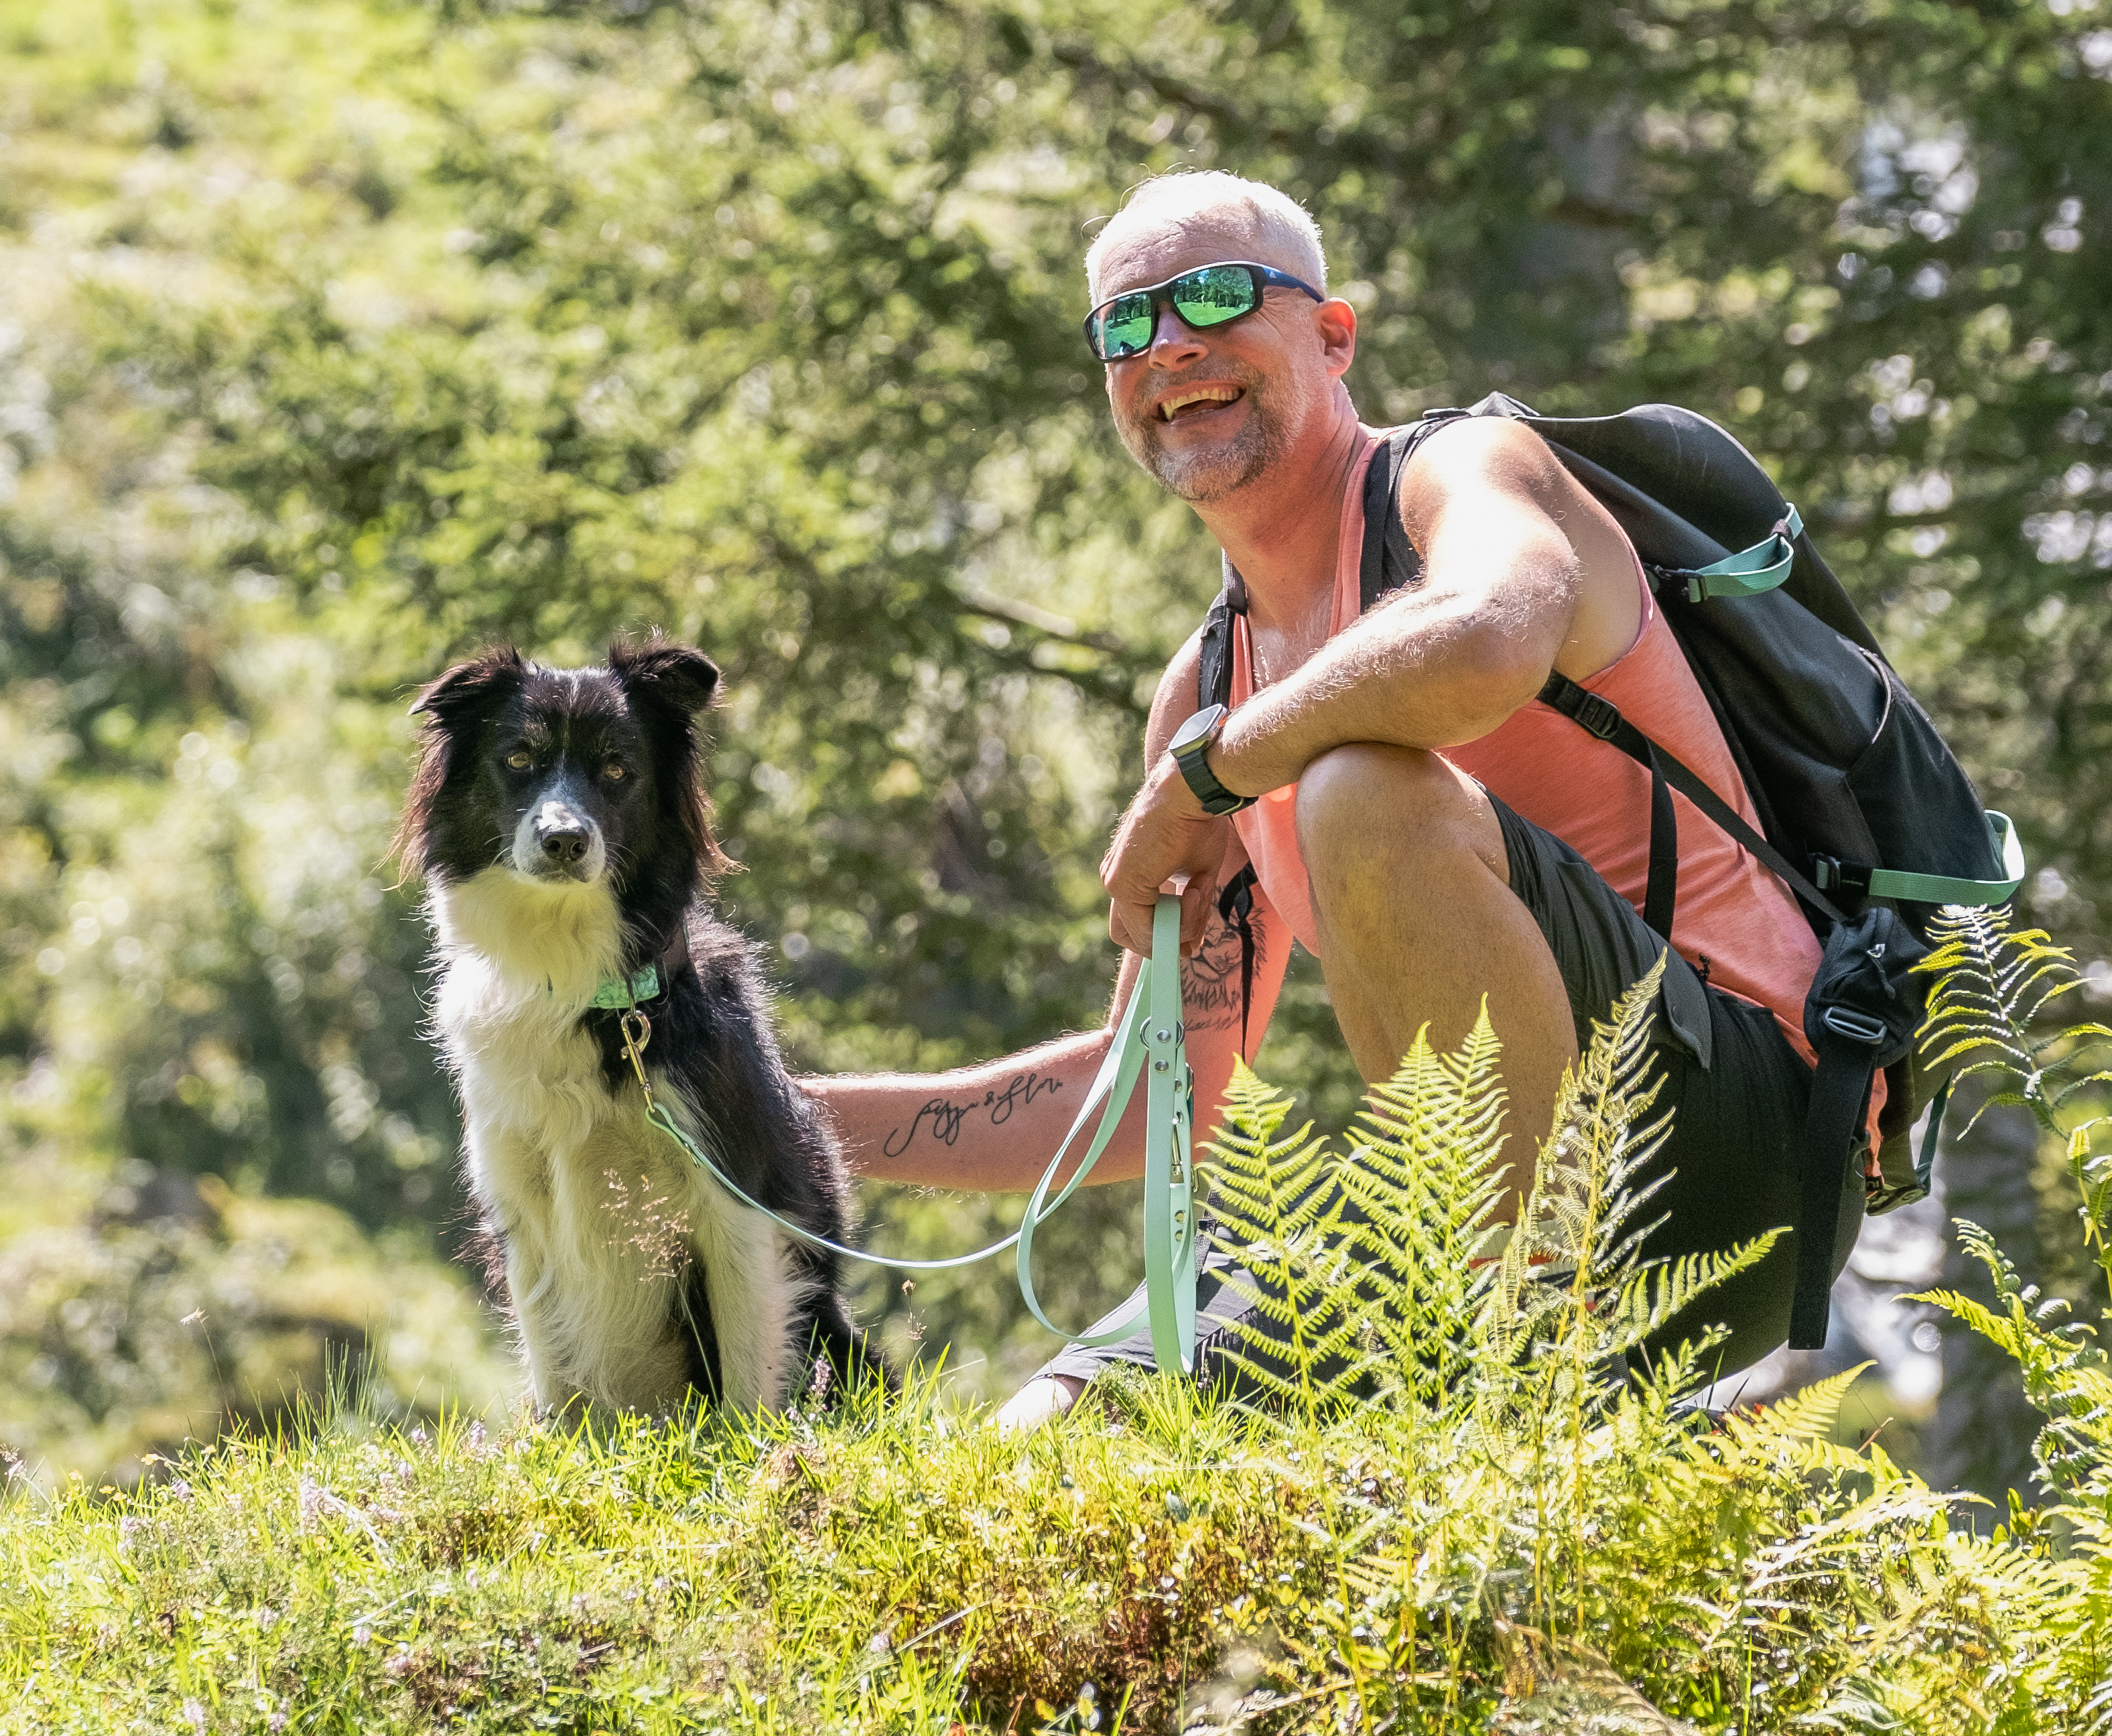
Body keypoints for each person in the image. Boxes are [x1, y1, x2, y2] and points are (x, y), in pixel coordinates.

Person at [798, 166, 1865, 1420]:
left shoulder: (1466, 477)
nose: (1171, 344)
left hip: (1743, 1142)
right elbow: (1154, 1102)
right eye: (1126, 325)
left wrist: (1217, 767)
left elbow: (1483, 641)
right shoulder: (1209, 685)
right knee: (1065, 1430)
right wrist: (776, 1114)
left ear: (1333, 332)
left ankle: (1504, 1418)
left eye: (1214, 294)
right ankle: (1483, 1373)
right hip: (1469, 1208)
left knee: (1360, 790)